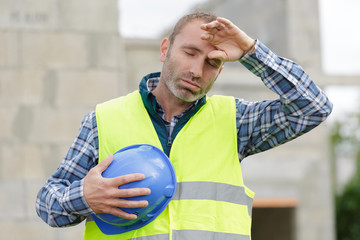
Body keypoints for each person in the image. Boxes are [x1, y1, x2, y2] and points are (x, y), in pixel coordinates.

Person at [36, 11, 333, 240]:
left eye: (212, 63)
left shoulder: (236, 121)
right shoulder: (103, 120)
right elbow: (48, 203)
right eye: (189, 53)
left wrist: (251, 51)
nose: (196, 70)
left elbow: (314, 107)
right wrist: (85, 197)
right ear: (165, 50)